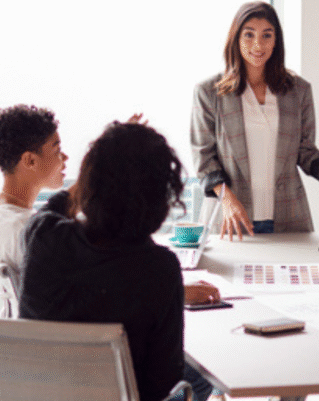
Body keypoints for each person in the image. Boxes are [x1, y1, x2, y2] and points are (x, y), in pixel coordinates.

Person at [20, 121, 217, 401]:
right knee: (198, 381)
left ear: (88, 183)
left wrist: (99, 168)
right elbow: (162, 382)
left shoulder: (42, 236)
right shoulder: (160, 268)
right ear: (162, 195)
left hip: (42, 395)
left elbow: (55, 207)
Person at [191, 1, 319, 240]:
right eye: (249, 35)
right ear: (235, 38)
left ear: (276, 41)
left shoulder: (298, 90)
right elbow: (204, 158)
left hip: (288, 217)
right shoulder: (209, 92)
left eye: (266, 35)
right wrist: (227, 199)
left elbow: (306, 151)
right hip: (230, 219)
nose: (258, 45)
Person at [0, 104, 67, 281]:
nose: (65, 158)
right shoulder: (23, 229)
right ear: (30, 161)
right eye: (57, 150)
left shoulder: (1, 217)